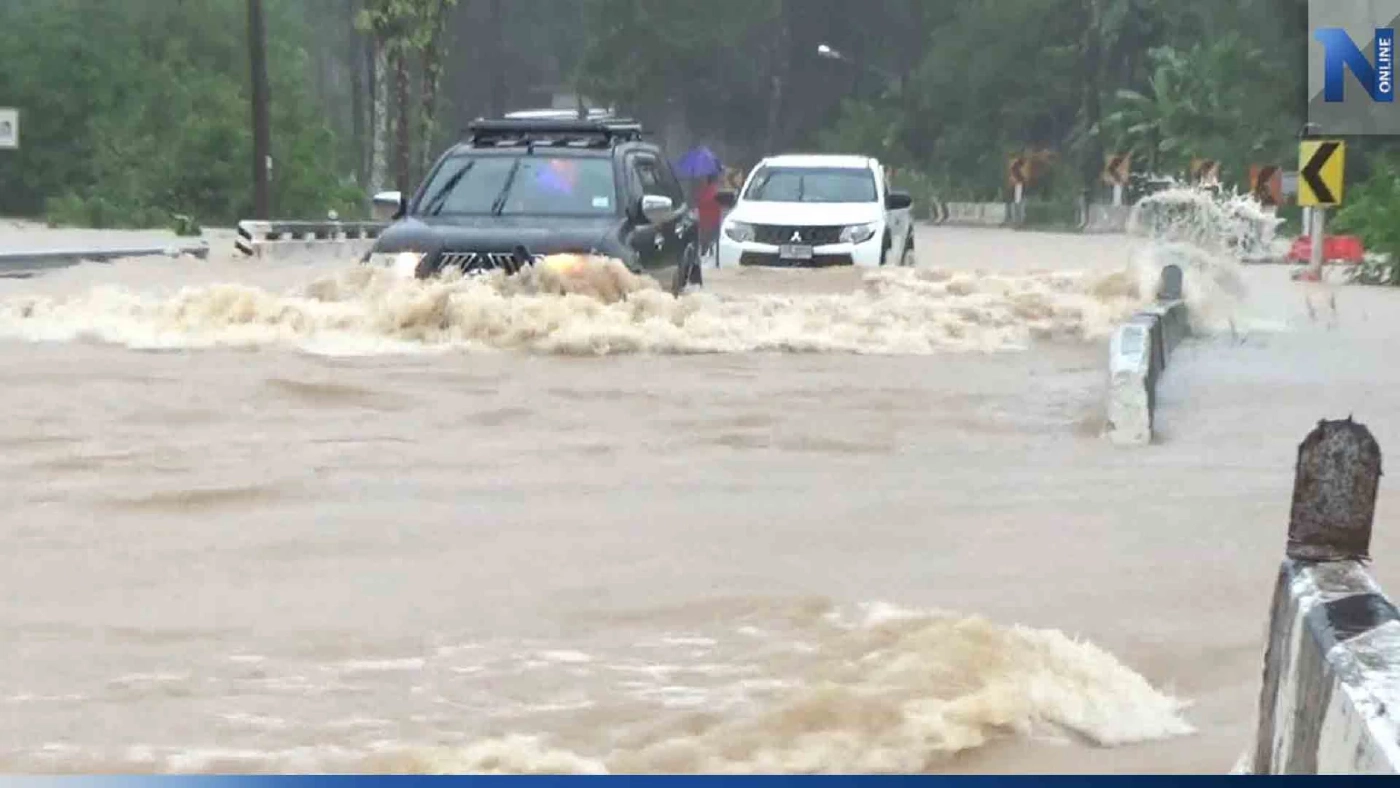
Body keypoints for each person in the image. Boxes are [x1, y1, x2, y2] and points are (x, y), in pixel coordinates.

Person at [696, 173, 722, 262]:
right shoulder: (715, 191)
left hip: (704, 221)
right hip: (713, 221)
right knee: (712, 239)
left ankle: (707, 250)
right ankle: (709, 251)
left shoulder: (703, 191)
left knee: (706, 239)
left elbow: (699, 203)